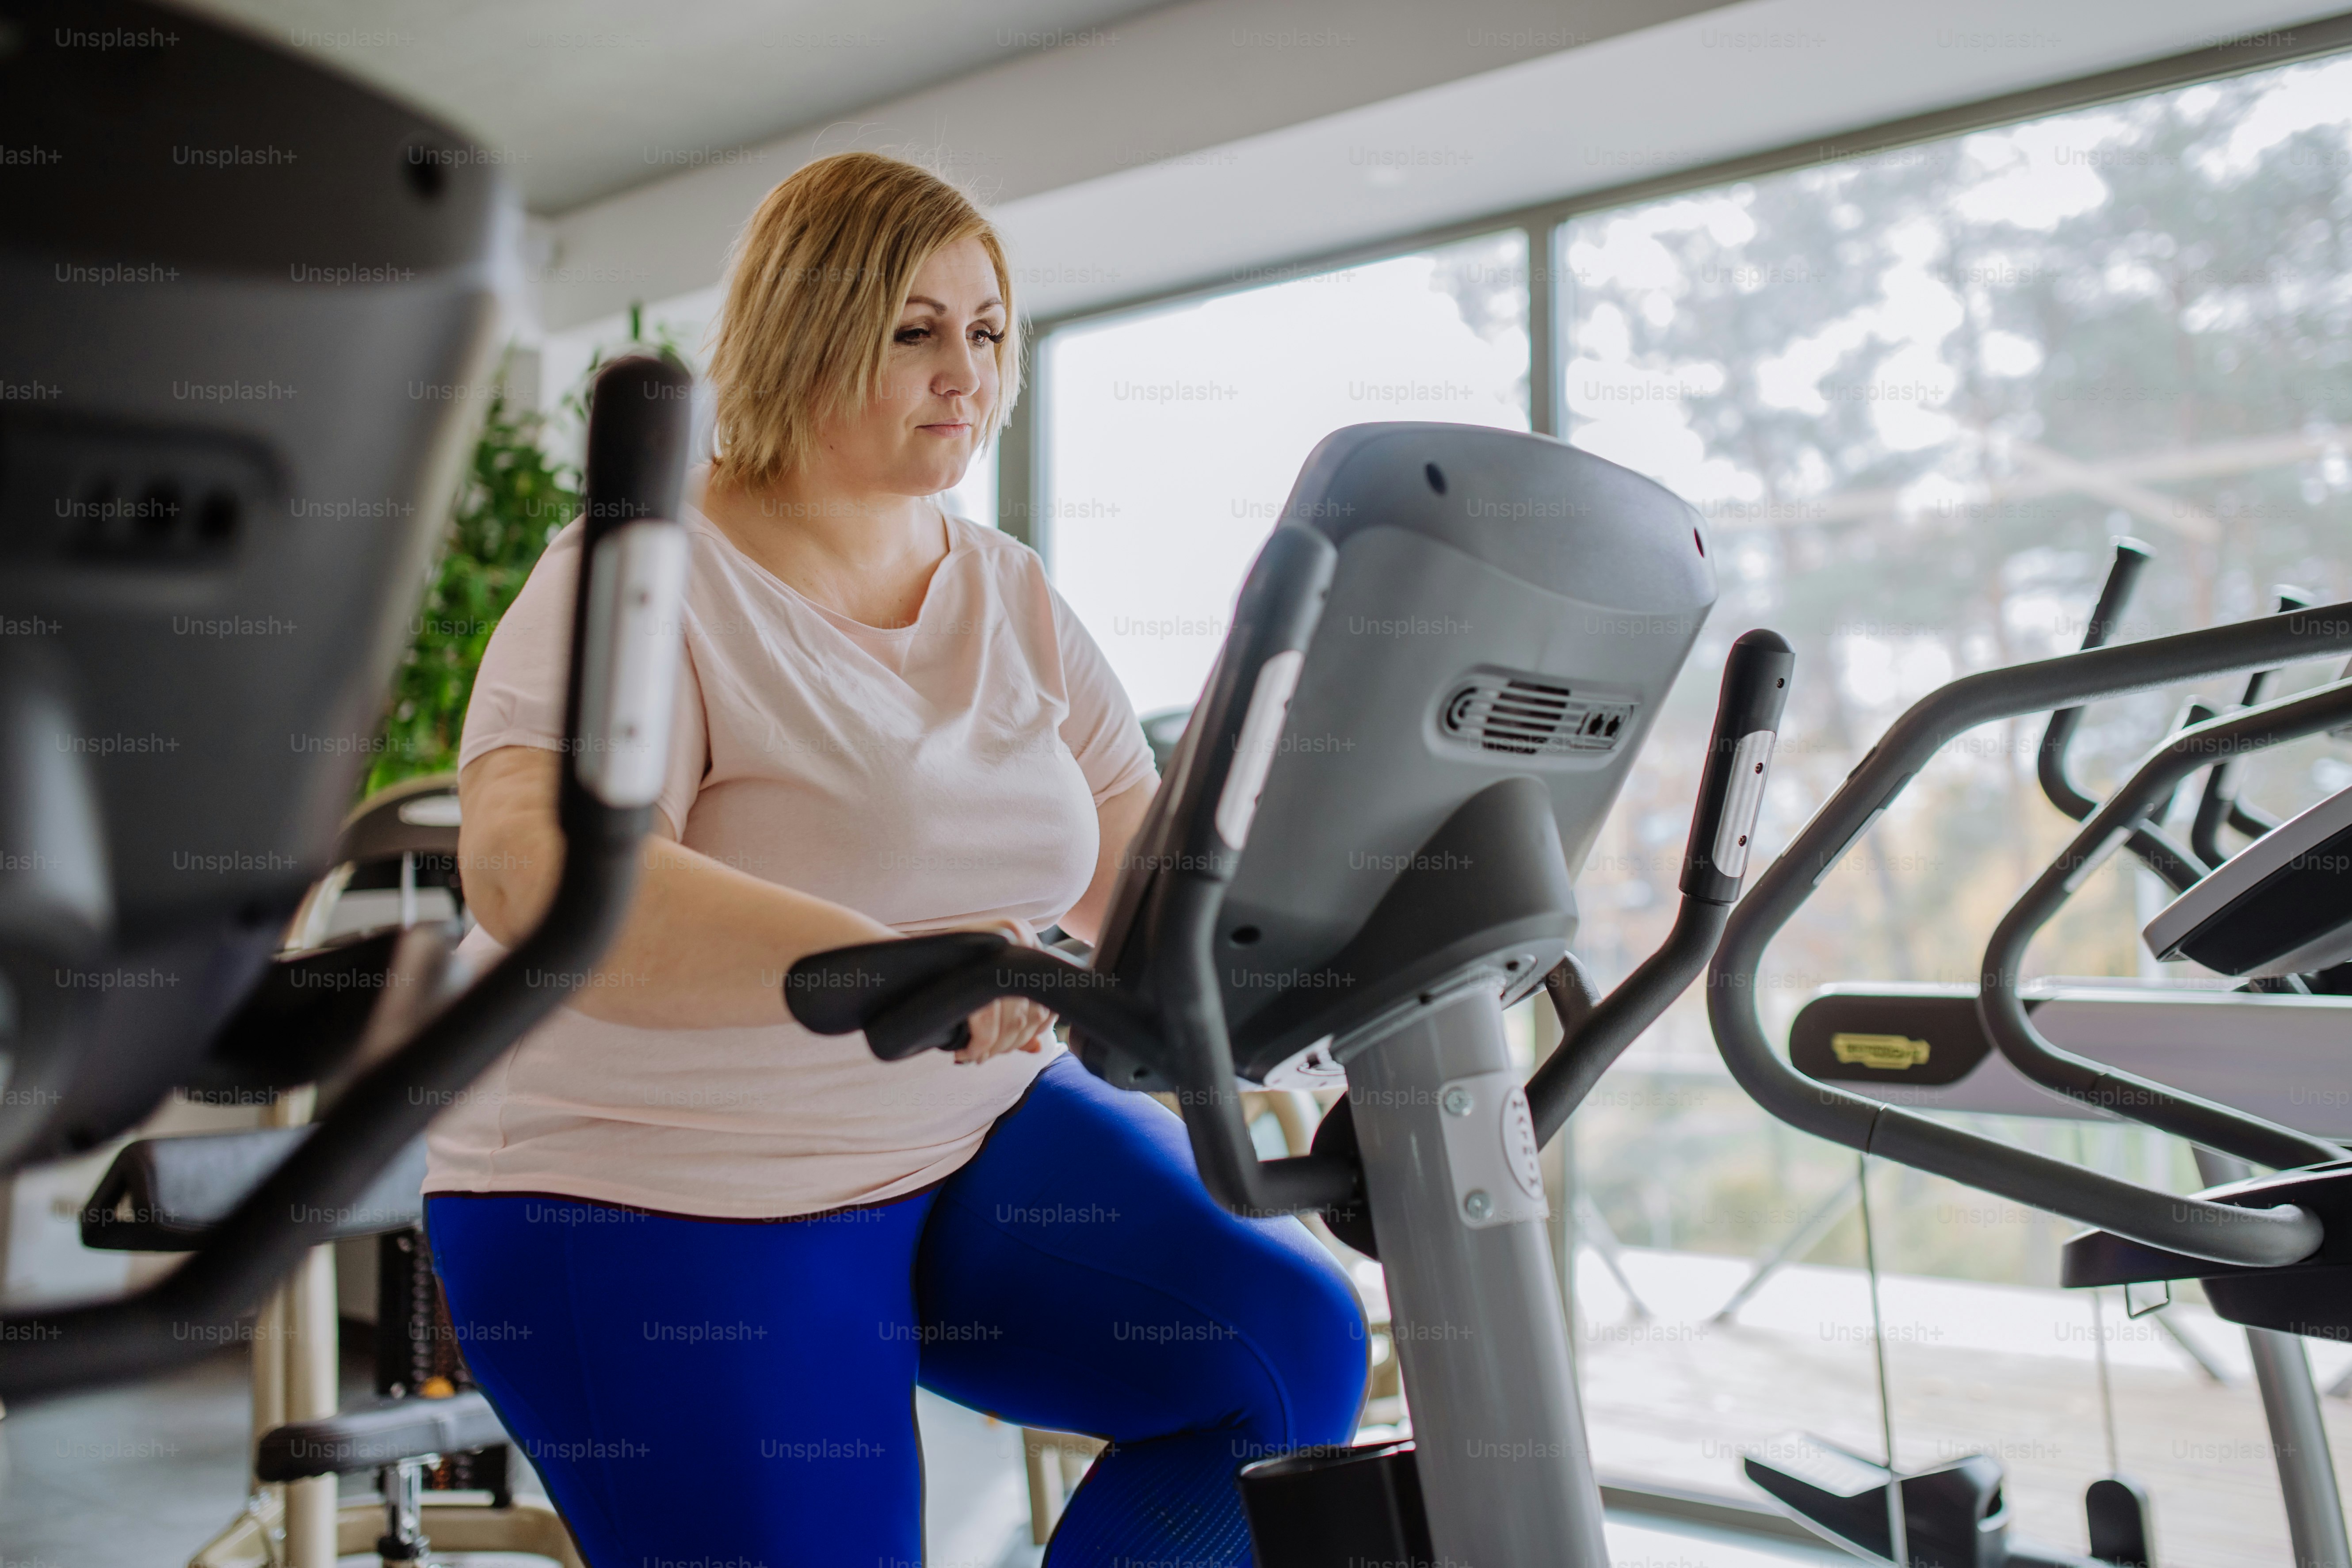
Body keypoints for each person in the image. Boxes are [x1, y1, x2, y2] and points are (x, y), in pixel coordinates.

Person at [422, 151, 1365, 1567]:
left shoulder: (1010, 590)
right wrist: (901, 965)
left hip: (968, 1134)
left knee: (1284, 1356)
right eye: (916, 328)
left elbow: (1154, 892)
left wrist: (1359, 1009)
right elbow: (530, 870)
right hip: (657, 1187)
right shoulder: (642, 572)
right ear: (805, 326)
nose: (965, 372)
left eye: (987, 332)